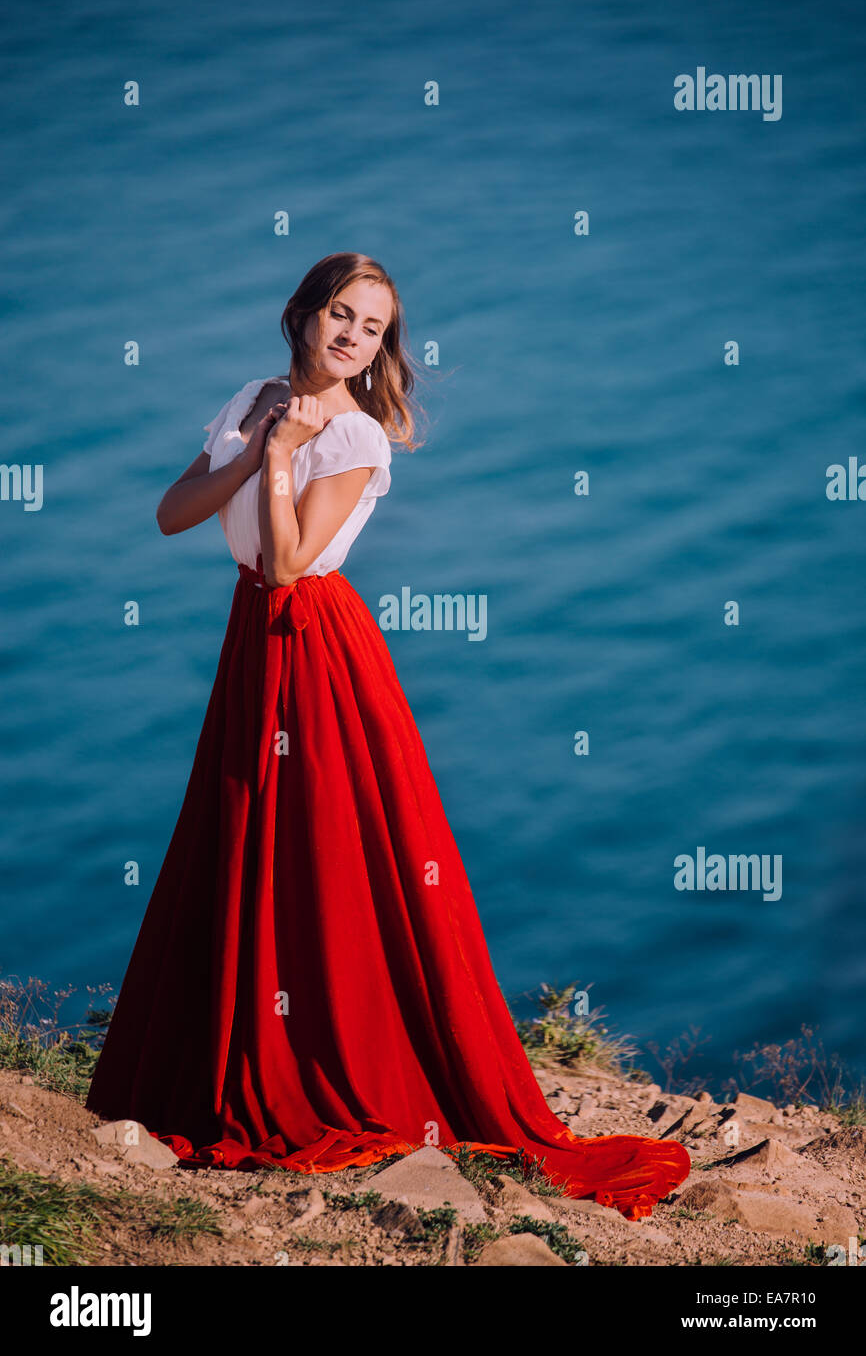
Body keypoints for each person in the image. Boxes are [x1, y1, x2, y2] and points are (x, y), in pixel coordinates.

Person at [86, 251, 690, 1220]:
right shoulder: (252, 396)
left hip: (316, 650)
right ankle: (217, 1055)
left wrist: (284, 455)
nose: (351, 336)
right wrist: (255, 445)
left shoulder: (357, 433)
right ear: (301, 314)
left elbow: (287, 565)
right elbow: (171, 515)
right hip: (253, 644)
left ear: (381, 347)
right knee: (241, 839)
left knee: (328, 855)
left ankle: (344, 1060)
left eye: (370, 327)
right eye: (339, 313)